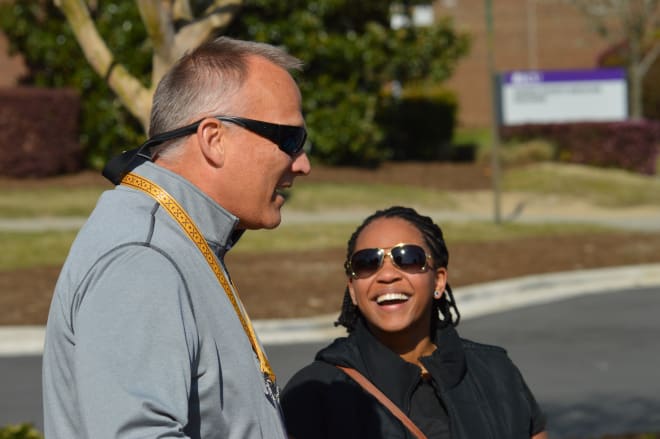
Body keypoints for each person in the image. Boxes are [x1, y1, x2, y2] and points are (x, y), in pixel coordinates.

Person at [42, 36, 311, 438]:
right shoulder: (144, 258)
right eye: (289, 141)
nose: (302, 163)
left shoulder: (175, 237)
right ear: (214, 139)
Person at [281, 206, 548, 439]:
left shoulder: (496, 372)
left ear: (439, 280)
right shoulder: (316, 392)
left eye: (408, 258)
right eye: (366, 263)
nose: (386, 275)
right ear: (353, 288)